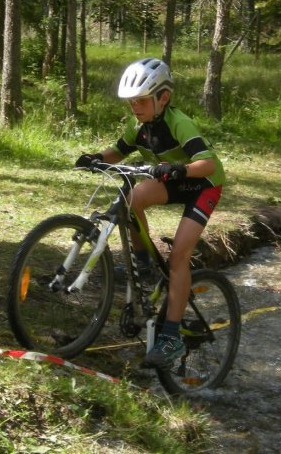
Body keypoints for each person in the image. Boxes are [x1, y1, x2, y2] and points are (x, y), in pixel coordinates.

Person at [75, 58, 225, 369]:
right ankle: (145, 268)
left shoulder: (179, 123)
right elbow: (119, 151)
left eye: (141, 100)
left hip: (204, 184)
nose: (135, 107)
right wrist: (95, 157)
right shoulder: (138, 126)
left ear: (163, 98)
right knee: (132, 197)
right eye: (131, 102)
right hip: (175, 179)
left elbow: (208, 164)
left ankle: (171, 337)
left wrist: (179, 168)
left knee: (179, 257)